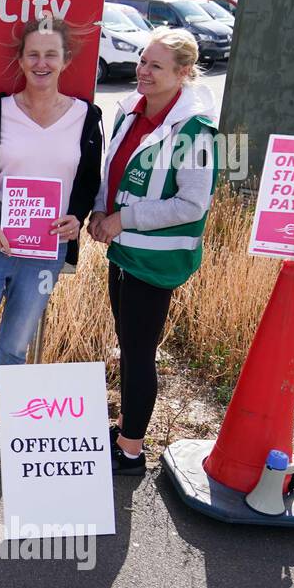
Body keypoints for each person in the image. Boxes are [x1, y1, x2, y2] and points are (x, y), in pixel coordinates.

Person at [0, 15, 104, 475]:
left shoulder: (86, 117)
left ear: (65, 60)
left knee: (13, 348)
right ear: (20, 60)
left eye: (50, 54)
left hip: (44, 253)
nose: (41, 63)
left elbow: (89, 181)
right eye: (32, 54)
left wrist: (79, 218)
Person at [87, 28, 220, 473]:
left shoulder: (195, 131)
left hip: (154, 258)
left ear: (183, 74)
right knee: (128, 347)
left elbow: (191, 203)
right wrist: (99, 210)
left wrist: (122, 219)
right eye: (143, 61)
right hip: (123, 252)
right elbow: (115, 168)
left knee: (139, 352)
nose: (143, 71)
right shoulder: (131, 111)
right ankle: (127, 426)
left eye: (156, 66)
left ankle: (129, 451)